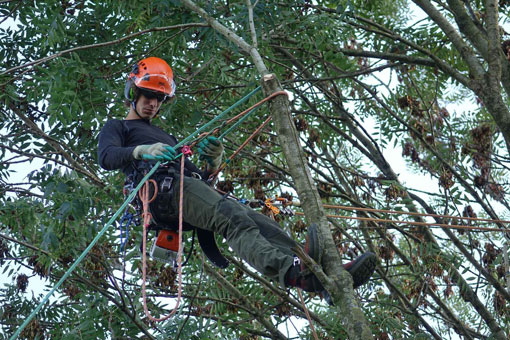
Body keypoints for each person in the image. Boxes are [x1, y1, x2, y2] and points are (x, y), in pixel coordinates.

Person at [97, 56, 376, 294]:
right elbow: (106, 157)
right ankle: (292, 273)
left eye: (159, 99)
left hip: (185, 188)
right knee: (234, 220)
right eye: (148, 96)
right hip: (164, 193)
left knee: (261, 224)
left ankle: (321, 273)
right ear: (133, 93)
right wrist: (143, 150)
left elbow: (201, 178)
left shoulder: (165, 136)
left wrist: (212, 160)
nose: (153, 104)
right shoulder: (119, 127)